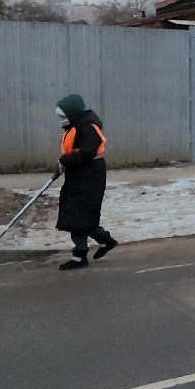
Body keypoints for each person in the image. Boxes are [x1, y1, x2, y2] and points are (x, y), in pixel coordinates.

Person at [55, 94, 117, 270]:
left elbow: (86, 154)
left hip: (90, 177)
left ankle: (79, 256)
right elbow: (75, 152)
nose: (61, 120)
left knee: (80, 216)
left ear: (72, 113)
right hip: (78, 176)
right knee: (77, 215)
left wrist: (65, 160)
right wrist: (64, 163)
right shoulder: (75, 125)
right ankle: (105, 241)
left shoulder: (89, 128)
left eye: (63, 116)